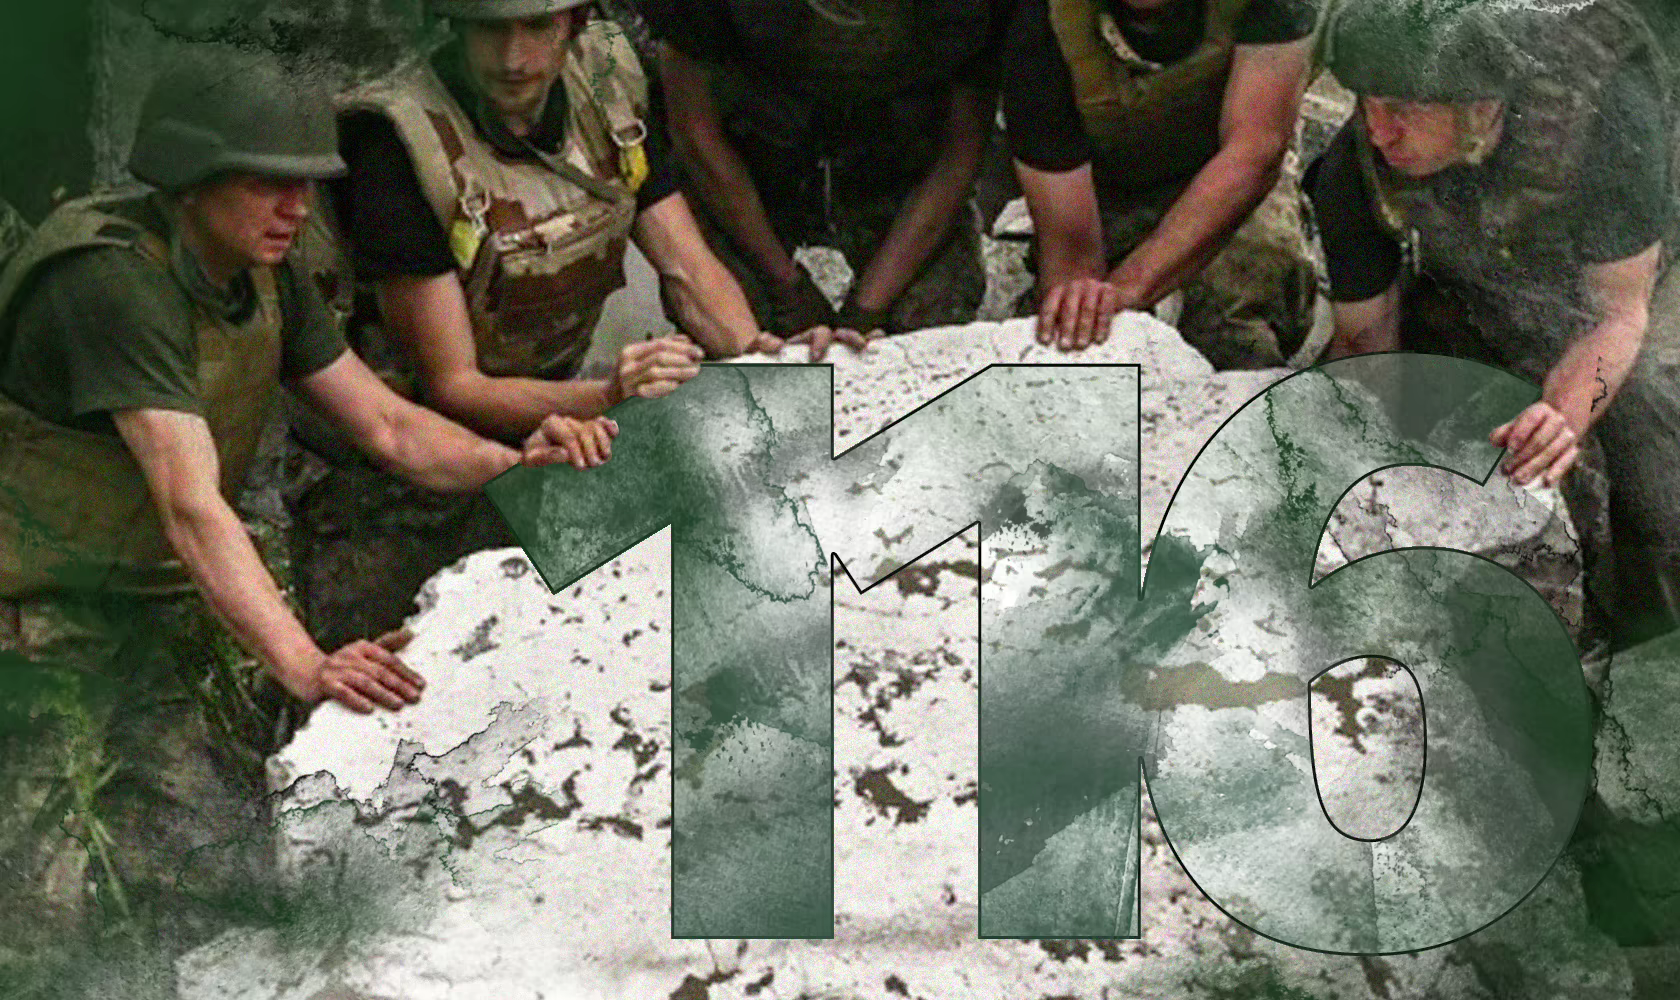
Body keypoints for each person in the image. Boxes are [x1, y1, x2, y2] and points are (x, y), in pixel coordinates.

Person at [0, 50, 605, 955]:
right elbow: (191, 505)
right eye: (266, 183)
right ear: (190, 177)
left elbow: (389, 428)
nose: (297, 207)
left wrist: (517, 465)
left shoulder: (261, 270)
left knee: (209, 868)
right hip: (29, 607)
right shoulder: (113, 283)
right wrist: (306, 663)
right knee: (30, 902)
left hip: (146, 595)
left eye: (305, 184)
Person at [293, 0, 767, 650]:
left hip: (555, 417)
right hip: (404, 457)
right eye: (491, 28)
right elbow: (452, 385)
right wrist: (609, 397)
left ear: (573, 22)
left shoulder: (608, 81)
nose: (514, 58)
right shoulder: (401, 140)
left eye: (537, 26)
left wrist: (763, 361)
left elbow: (688, 267)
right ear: (455, 24)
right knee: (411, 663)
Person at [1307, 0, 1680, 654]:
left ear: (1482, 107)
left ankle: (1653, 648)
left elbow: (1619, 316)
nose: (1379, 131)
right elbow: (1366, 346)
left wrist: (1560, 417)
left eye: (1403, 107)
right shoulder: (1355, 170)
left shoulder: (1608, 113)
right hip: (1482, 284)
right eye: (1366, 103)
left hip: (1630, 285)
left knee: (1648, 451)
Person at [643, 0, 1010, 360]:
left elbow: (960, 152)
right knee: (739, 338)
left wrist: (866, 311)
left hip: (896, 161)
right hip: (754, 157)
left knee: (927, 333)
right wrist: (787, 290)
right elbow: (694, 132)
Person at [1002, 0, 1321, 367]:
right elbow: (1071, 251)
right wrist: (1092, 307)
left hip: (1224, 172)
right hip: (1104, 182)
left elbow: (1255, 152)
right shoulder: (1040, 17)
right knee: (1065, 329)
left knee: (1240, 310)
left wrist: (1130, 287)